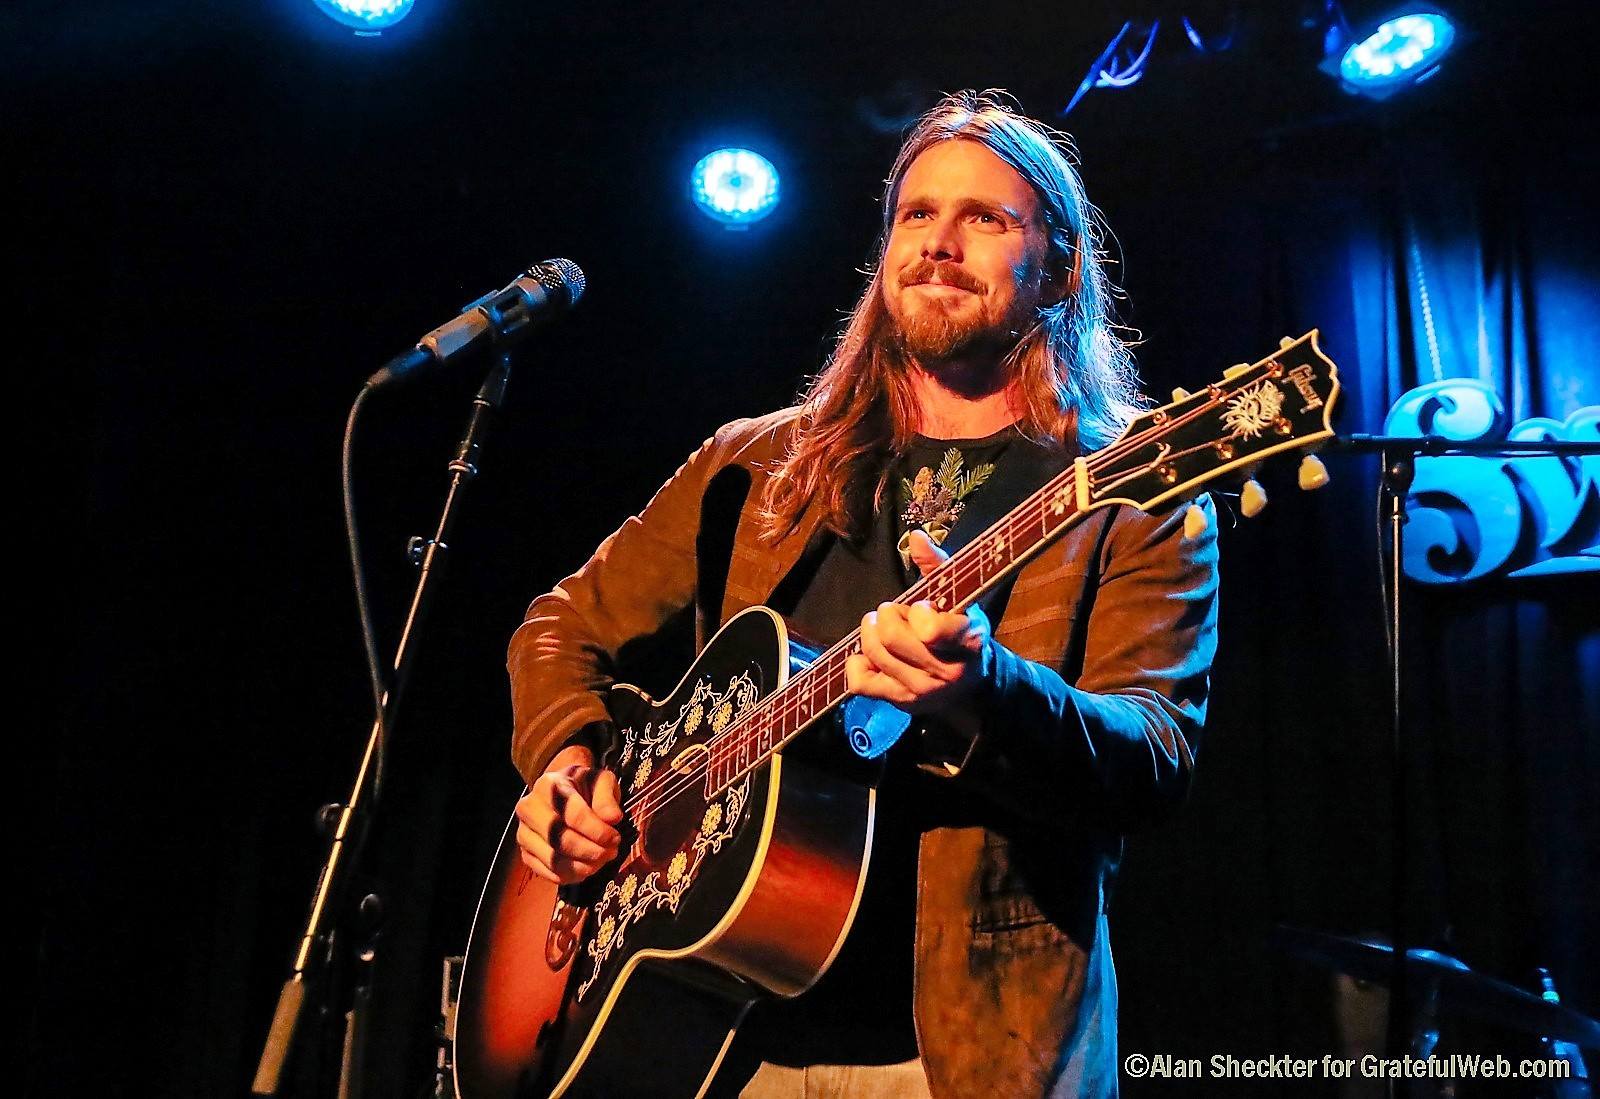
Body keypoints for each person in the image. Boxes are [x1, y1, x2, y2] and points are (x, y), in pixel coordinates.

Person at [506, 90, 1219, 1099]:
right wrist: (564, 762)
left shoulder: (1132, 497)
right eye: (916, 214)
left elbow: (1154, 759)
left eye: (985, 218)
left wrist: (988, 693)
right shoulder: (750, 465)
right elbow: (559, 624)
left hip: (967, 1047)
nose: (939, 243)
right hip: (720, 1034)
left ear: (1056, 267)